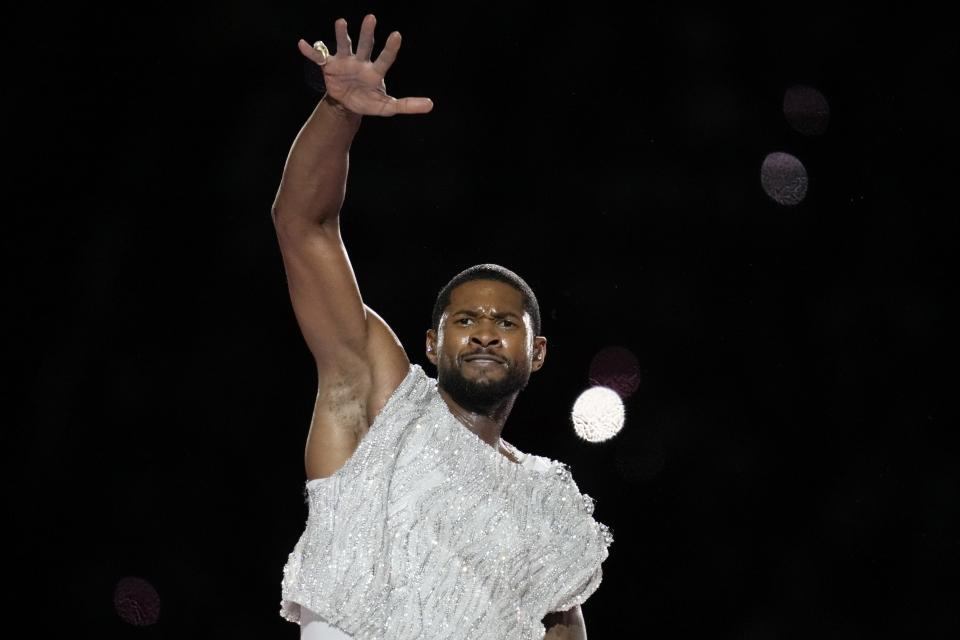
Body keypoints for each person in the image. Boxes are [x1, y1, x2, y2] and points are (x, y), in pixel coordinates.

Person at [271, 14, 612, 640]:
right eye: (465, 319)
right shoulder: (375, 400)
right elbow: (304, 227)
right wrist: (338, 112)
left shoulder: (548, 499)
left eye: (505, 322)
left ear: (536, 353)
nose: (484, 331)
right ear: (432, 344)